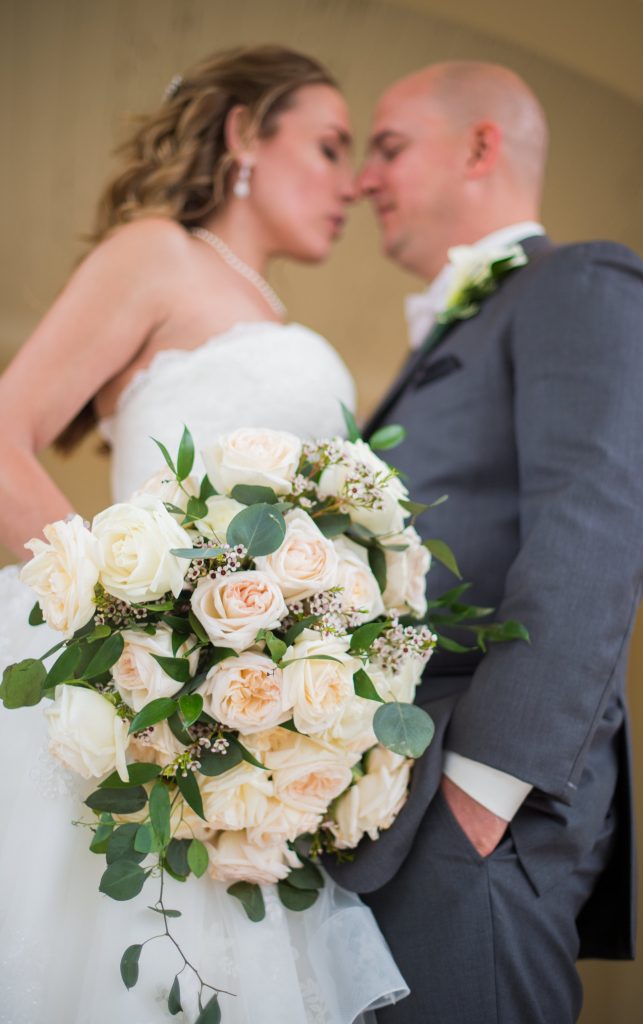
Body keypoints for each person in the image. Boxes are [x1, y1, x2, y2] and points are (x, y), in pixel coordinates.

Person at [0, 45, 409, 1023]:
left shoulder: (268, 306)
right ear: (242, 137)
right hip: (145, 678)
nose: (351, 181)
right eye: (326, 145)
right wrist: (141, 616)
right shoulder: (155, 253)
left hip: (247, 710)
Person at [325, 61, 643, 1022]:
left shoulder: (582, 283)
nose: (364, 180)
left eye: (388, 147)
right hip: (391, 813)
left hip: (468, 808)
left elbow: (598, 518)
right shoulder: (451, 333)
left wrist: (483, 793)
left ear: (481, 146)